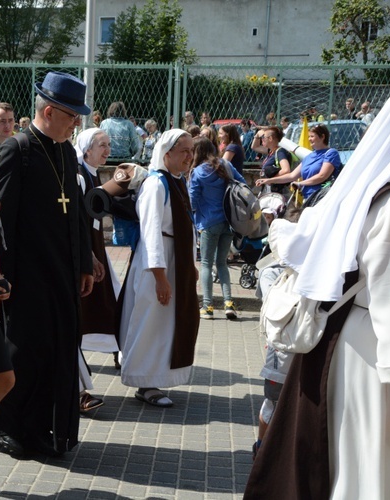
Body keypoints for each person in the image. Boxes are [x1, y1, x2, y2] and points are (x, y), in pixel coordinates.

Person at [245, 85, 390, 500]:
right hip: (380, 361)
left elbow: (296, 241)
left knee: (345, 467)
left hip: (341, 345)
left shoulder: (363, 190)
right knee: (377, 473)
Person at [0, 71, 94, 457]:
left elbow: (77, 213)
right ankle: (12, 430)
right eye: (72, 115)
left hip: (62, 276)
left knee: (55, 356)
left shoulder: (66, 150)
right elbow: (0, 221)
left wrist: (85, 261)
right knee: (24, 357)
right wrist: (1, 278)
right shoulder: (18, 149)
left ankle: (45, 426)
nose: (77, 123)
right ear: (49, 111)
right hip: (27, 279)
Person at [119, 130, 199, 407]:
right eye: (184, 151)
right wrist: (160, 277)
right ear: (167, 154)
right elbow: (151, 231)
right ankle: (145, 382)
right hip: (160, 263)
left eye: (191, 151)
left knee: (165, 324)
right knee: (151, 322)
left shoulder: (176, 181)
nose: (190, 156)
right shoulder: (156, 184)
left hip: (174, 261)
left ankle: (155, 377)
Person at [75, 128, 119, 412]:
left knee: (110, 302)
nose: (107, 150)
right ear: (86, 149)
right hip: (84, 254)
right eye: (102, 145)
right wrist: (88, 255)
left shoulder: (92, 173)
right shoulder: (79, 175)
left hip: (94, 250)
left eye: (108, 145)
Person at [189, 137, 245, 320]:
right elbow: (242, 183)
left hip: (207, 223)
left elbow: (192, 200)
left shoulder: (197, 172)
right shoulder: (225, 165)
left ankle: (208, 306)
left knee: (206, 263)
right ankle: (228, 303)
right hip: (229, 222)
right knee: (222, 263)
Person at [256, 124, 341, 202]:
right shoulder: (309, 157)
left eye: (312, 136)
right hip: (308, 198)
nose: (309, 139)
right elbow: (291, 176)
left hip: (324, 198)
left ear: (322, 137)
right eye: (308, 136)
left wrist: (300, 184)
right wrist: (268, 180)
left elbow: (322, 176)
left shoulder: (331, 153)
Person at [251, 126, 292, 195]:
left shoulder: (280, 152)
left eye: (263, 137)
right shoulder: (271, 151)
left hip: (278, 192)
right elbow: (254, 147)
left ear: (270, 138)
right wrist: (257, 135)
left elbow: (286, 170)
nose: (262, 139)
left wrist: (270, 180)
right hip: (272, 190)